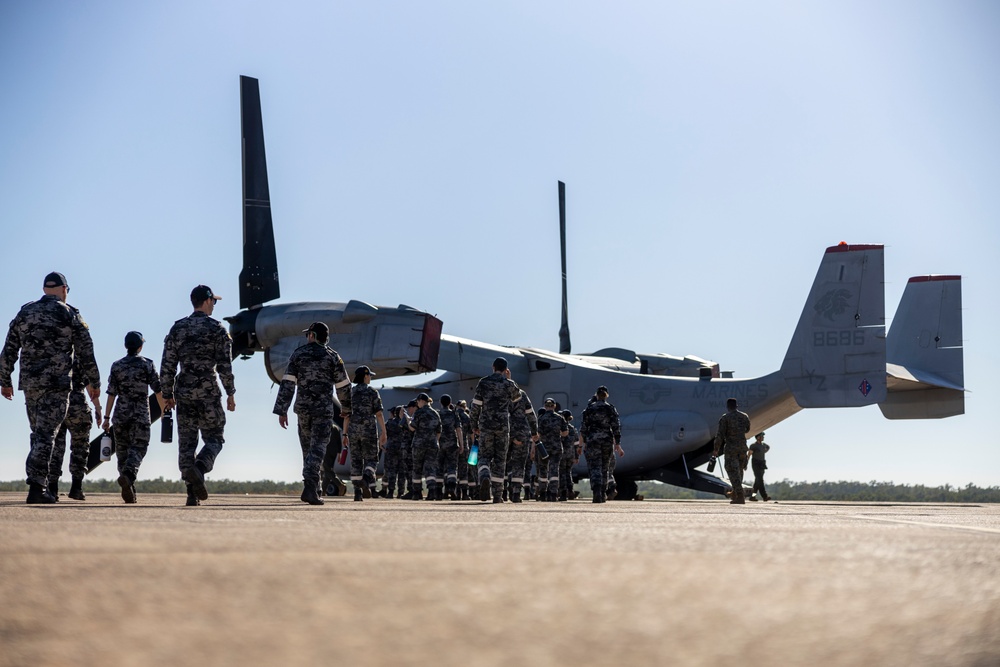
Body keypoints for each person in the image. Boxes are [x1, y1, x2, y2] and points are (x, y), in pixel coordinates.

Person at [0, 272, 100, 504]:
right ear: (64, 289)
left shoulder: (25, 313)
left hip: (31, 385)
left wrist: (5, 380)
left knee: (39, 434)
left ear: (45, 289)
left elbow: (9, 350)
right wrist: (94, 383)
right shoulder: (70, 314)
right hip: (57, 385)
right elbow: (86, 351)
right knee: (46, 435)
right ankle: (36, 488)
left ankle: (39, 483)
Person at [160, 285, 236, 506]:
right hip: (208, 392)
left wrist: (167, 394)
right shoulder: (217, 329)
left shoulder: (178, 328)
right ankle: (200, 467)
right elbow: (224, 365)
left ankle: (191, 494)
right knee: (215, 438)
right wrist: (230, 392)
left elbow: (167, 365)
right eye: (214, 301)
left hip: (183, 391)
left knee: (187, 443)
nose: (214, 305)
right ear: (207, 301)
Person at [273, 321, 353, 505]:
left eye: (308, 334)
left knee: (308, 450)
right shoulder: (333, 357)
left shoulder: (298, 355)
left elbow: (287, 383)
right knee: (317, 449)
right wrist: (346, 409)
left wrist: (282, 409)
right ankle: (310, 488)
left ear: (313, 336)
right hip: (322, 411)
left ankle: (313, 488)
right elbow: (343, 386)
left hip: (303, 411)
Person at [102, 331, 164, 504]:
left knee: (122, 453)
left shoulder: (116, 366)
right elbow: (158, 390)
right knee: (139, 447)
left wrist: (106, 418)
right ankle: (128, 475)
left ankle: (129, 487)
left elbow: (111, 394)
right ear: (140, 346)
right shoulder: (147, 365)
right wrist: (164, 410)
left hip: (120, 415)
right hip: (140, 415)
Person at [469, 357, 522, 503]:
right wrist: (509, 379)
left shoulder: (483, 382)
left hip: (486, 425)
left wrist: (474, 425)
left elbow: (475, 406)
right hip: (503, 427)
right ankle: (497, 496)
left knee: (484, 457)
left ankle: (484, 475)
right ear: (505, 370)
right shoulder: (509, 384)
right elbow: (518, 398)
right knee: (500, 460)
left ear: (493, 367)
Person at [50, 354, 102, 501]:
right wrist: (98, 409)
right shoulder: (79, 357)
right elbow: (90, 386)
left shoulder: (54, 355)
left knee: (55, 447)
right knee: (80, 447)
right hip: (76, 404)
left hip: (56, 404)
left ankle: (52, 488)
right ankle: (76, 488)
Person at [345, 365, 386, 501]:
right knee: (372, 459)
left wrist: (344, 434)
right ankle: (366, 479)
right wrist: (383, 432)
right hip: (368, 430)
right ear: (365, 376)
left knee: (356, 461)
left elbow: (346, 416)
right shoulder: (372, 392)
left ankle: (357, 493)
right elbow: (379, 414)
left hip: (353, 430)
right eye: (370, 376)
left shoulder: (350, 393)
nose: (370, 378)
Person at [581, 386, 623, 504]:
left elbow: (583, 427)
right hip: (606, 441)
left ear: (596, 395)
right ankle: (603, 493)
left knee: (594, 467)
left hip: (592, 440)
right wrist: (618, 444)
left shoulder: (589, 409)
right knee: (605, 468)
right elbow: (616, 427)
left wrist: (583, 442)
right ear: (606, 395)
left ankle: (596, 491)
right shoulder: (610, 409)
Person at [712, 397, 751, 504]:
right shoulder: (744, 416)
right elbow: (747, 429)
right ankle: (735, 493)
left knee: (731, 470)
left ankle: (740, 495)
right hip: (742, 447)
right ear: (736, 406)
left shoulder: (725, 418)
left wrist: (716, 449)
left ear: (728, 407)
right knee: (739, 470)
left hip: (731, 448)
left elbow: (720, 435)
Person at [505, 388, 538, 503]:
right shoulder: (522, 394)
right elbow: (531, 415)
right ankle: (516, 493)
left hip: (506, 431)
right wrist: (534, 432)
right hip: (522, 433)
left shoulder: (503, 393)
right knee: (519, 464)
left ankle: (503, 490)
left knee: (503, 462)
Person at [408, 392, 441, 500]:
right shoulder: (436, 413)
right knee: (430, 469)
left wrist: (409, 421)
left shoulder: (418, 413)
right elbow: (439, 431)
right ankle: (431, 491)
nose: (417, 404)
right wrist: (435, 441)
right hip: (432, 445)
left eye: (417, 402)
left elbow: (412, 428)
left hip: (419, 444)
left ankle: (417, 493)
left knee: (417, 468)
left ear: (421, 401)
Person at [536, 398, 568, 501]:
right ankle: (553, 494)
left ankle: (542, 493)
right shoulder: (560, 418)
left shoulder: (541, 418)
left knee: (543, 470)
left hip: (544, 448)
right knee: (554, 470)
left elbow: (538, 434)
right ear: (554, 406)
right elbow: (565, 432)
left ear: (545, 406)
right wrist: (557, 433)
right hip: (556, 447)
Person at [436, 394, 464, 500]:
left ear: (440, 402)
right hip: (452, 444)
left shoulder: (437, 414)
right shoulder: (454, 414)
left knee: (439, 467)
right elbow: (458, 430)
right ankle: (451, 488)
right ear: (450, 403)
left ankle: (439, 492)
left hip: (440, 444)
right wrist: (461, 445)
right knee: (452, 467)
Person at [381, 406, 408, 499]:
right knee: (402, 472)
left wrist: (382, 445)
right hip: (402, 449)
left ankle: (390, 492)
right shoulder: (405, 423)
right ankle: (401, 492)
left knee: (391, 471)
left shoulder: (389, 423)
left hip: (391, 449)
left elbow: (383, 435)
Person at [559, 409, 581, 501]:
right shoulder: (573, 429)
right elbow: (577, 444)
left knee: (562, 474)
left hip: (562, 454)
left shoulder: (562, 429)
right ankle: (570, 491)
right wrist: (576, 456)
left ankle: (563, 494)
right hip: (571, 454)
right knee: (568, 473)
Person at [454, 399, 473, 499]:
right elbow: (471, 433)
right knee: (464, 469)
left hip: (454, 445)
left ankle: (456, 493)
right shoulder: (467, 416)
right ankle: (465, 493)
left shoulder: (453, 415)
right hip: (465, 445)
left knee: (455, 468)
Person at [748, 432, 771, 501]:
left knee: (757, 482)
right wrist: (745, 463)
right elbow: (749, 454)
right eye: (762, 436)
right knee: (760, 480)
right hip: (756, 463)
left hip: (762, 464)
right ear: (758, 437)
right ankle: (764, 496)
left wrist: (765, 450)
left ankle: (752, 496)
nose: (763, 437)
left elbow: (768, 447)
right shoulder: (753, 446)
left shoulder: (763, 445)